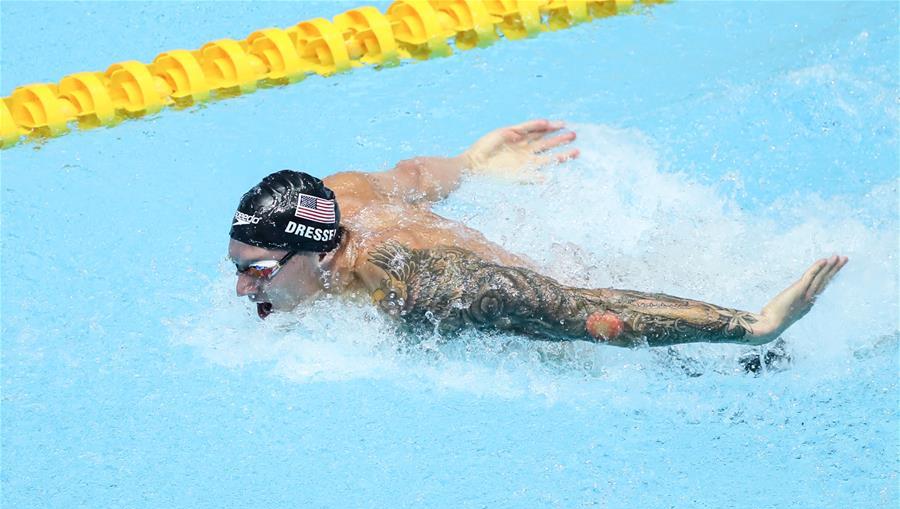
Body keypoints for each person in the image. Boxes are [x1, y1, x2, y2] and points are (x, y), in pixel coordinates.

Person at [228, 119, 847, 347]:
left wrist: (750, 326)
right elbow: (412, 175)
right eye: (238, 267)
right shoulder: (337, 196)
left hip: (616, 337)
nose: (241, 290)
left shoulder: (423, 283)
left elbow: (589, 315)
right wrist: (470, 164)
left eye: (257, 271)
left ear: (324, 251)